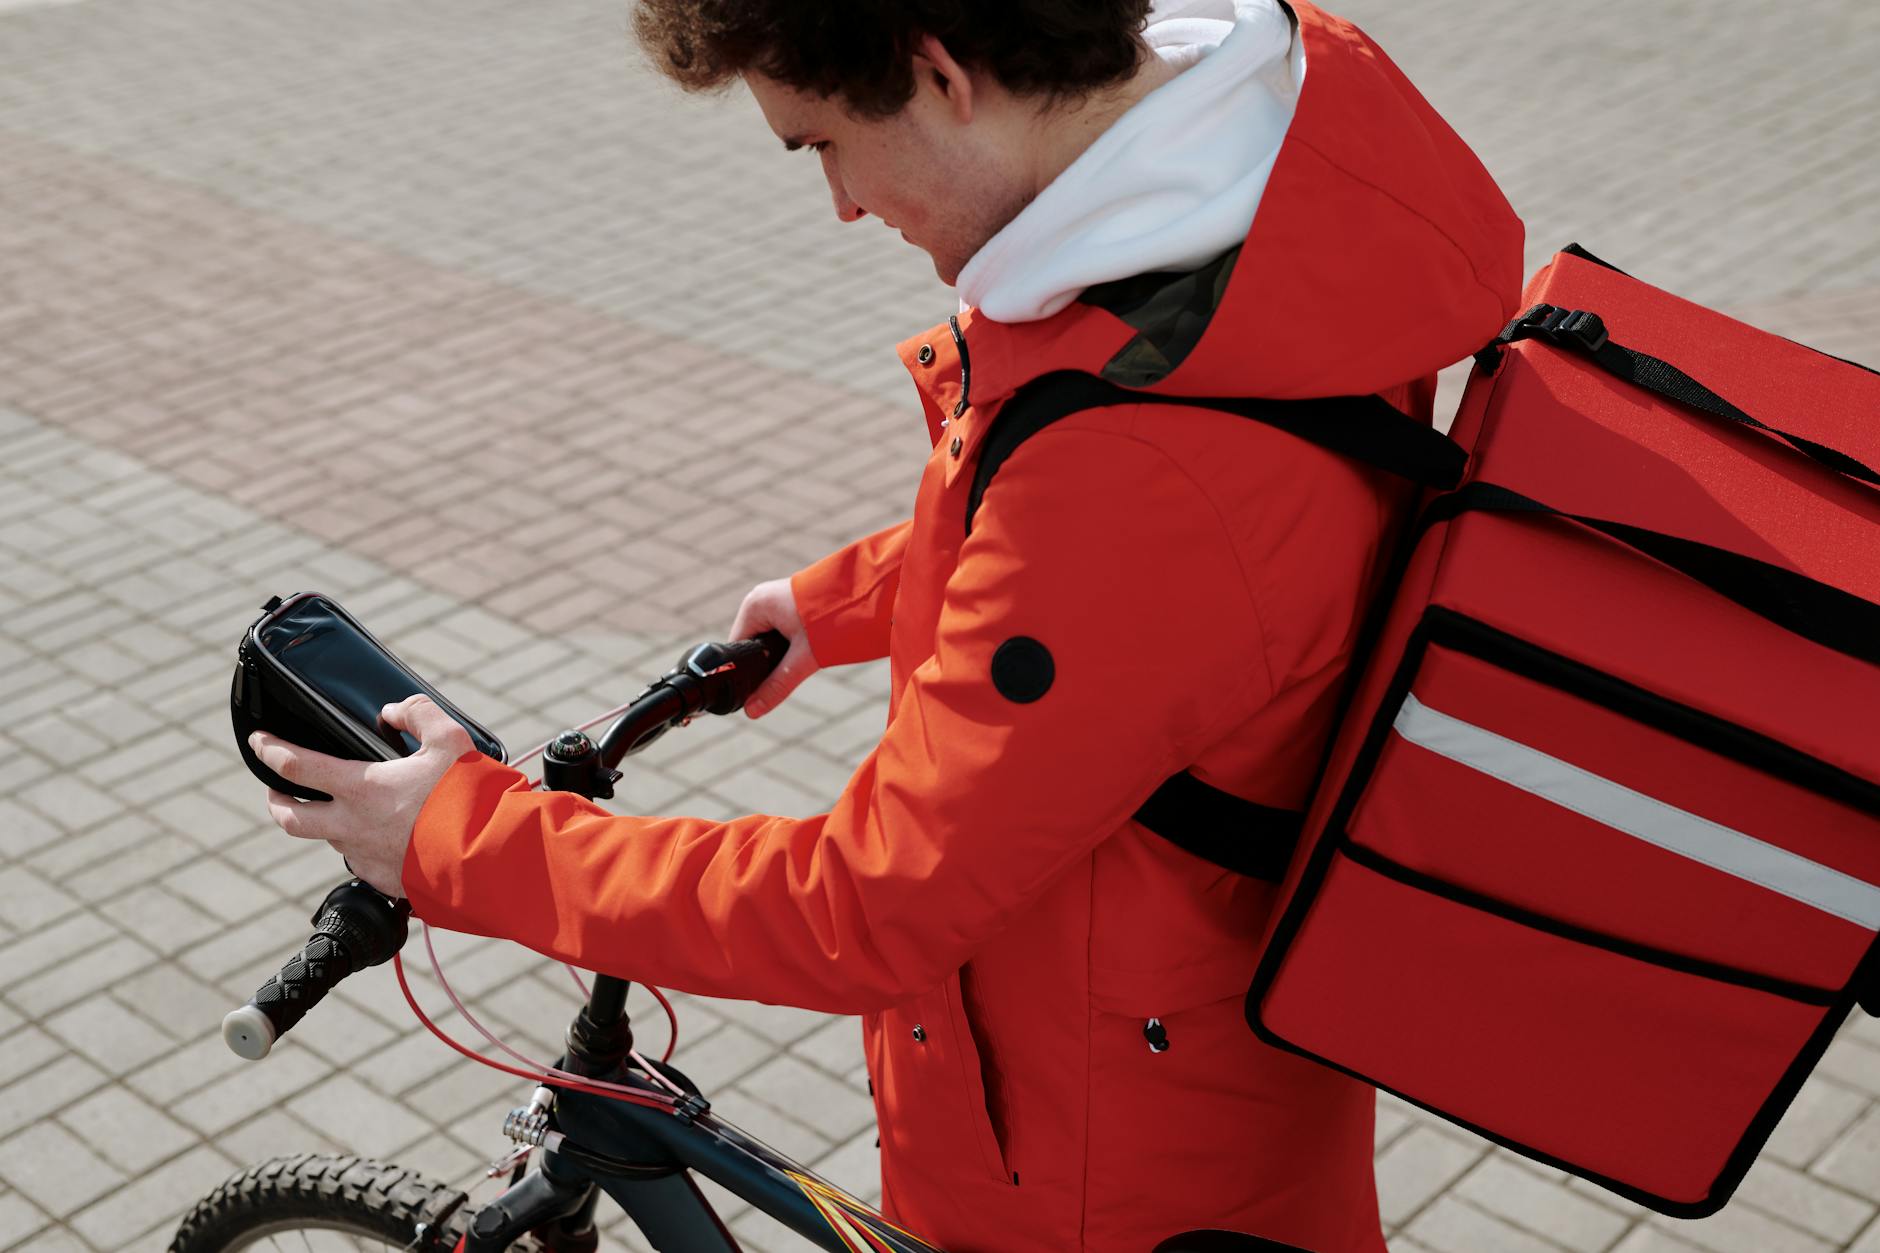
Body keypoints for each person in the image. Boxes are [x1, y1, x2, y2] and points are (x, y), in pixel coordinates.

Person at [247, 2, 1523, 1248]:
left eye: (818, 143)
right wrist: (844, 600)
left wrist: (463, 836)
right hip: (1185, 1083)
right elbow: (1156, 575)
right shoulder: (1253, 212)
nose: (844, 205)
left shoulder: (1143, 454)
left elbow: (863, 904)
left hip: (1094, 1178)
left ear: (940, 72)